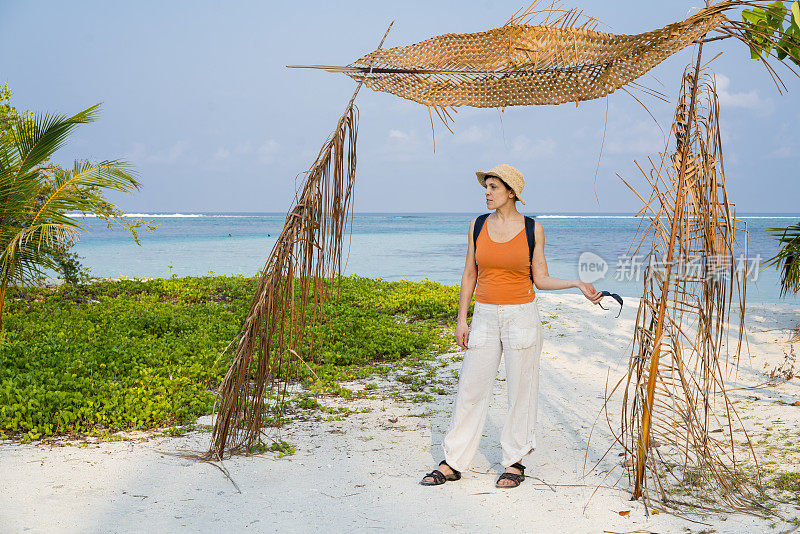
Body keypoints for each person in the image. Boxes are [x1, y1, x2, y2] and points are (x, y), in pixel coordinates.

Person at [420, 163, 603, 488]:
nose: (486, 193)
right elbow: (469, 275)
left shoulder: (534, 229)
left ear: (511, 193)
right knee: (471, 389)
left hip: (522, 315)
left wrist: (576, 283)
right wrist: (463, 319)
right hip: (486, 316)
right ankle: (453, 461)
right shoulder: (477, 225)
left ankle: (514, 462)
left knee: (521, 390)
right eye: (486, 187)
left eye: (493, 187)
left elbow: (541, 279)